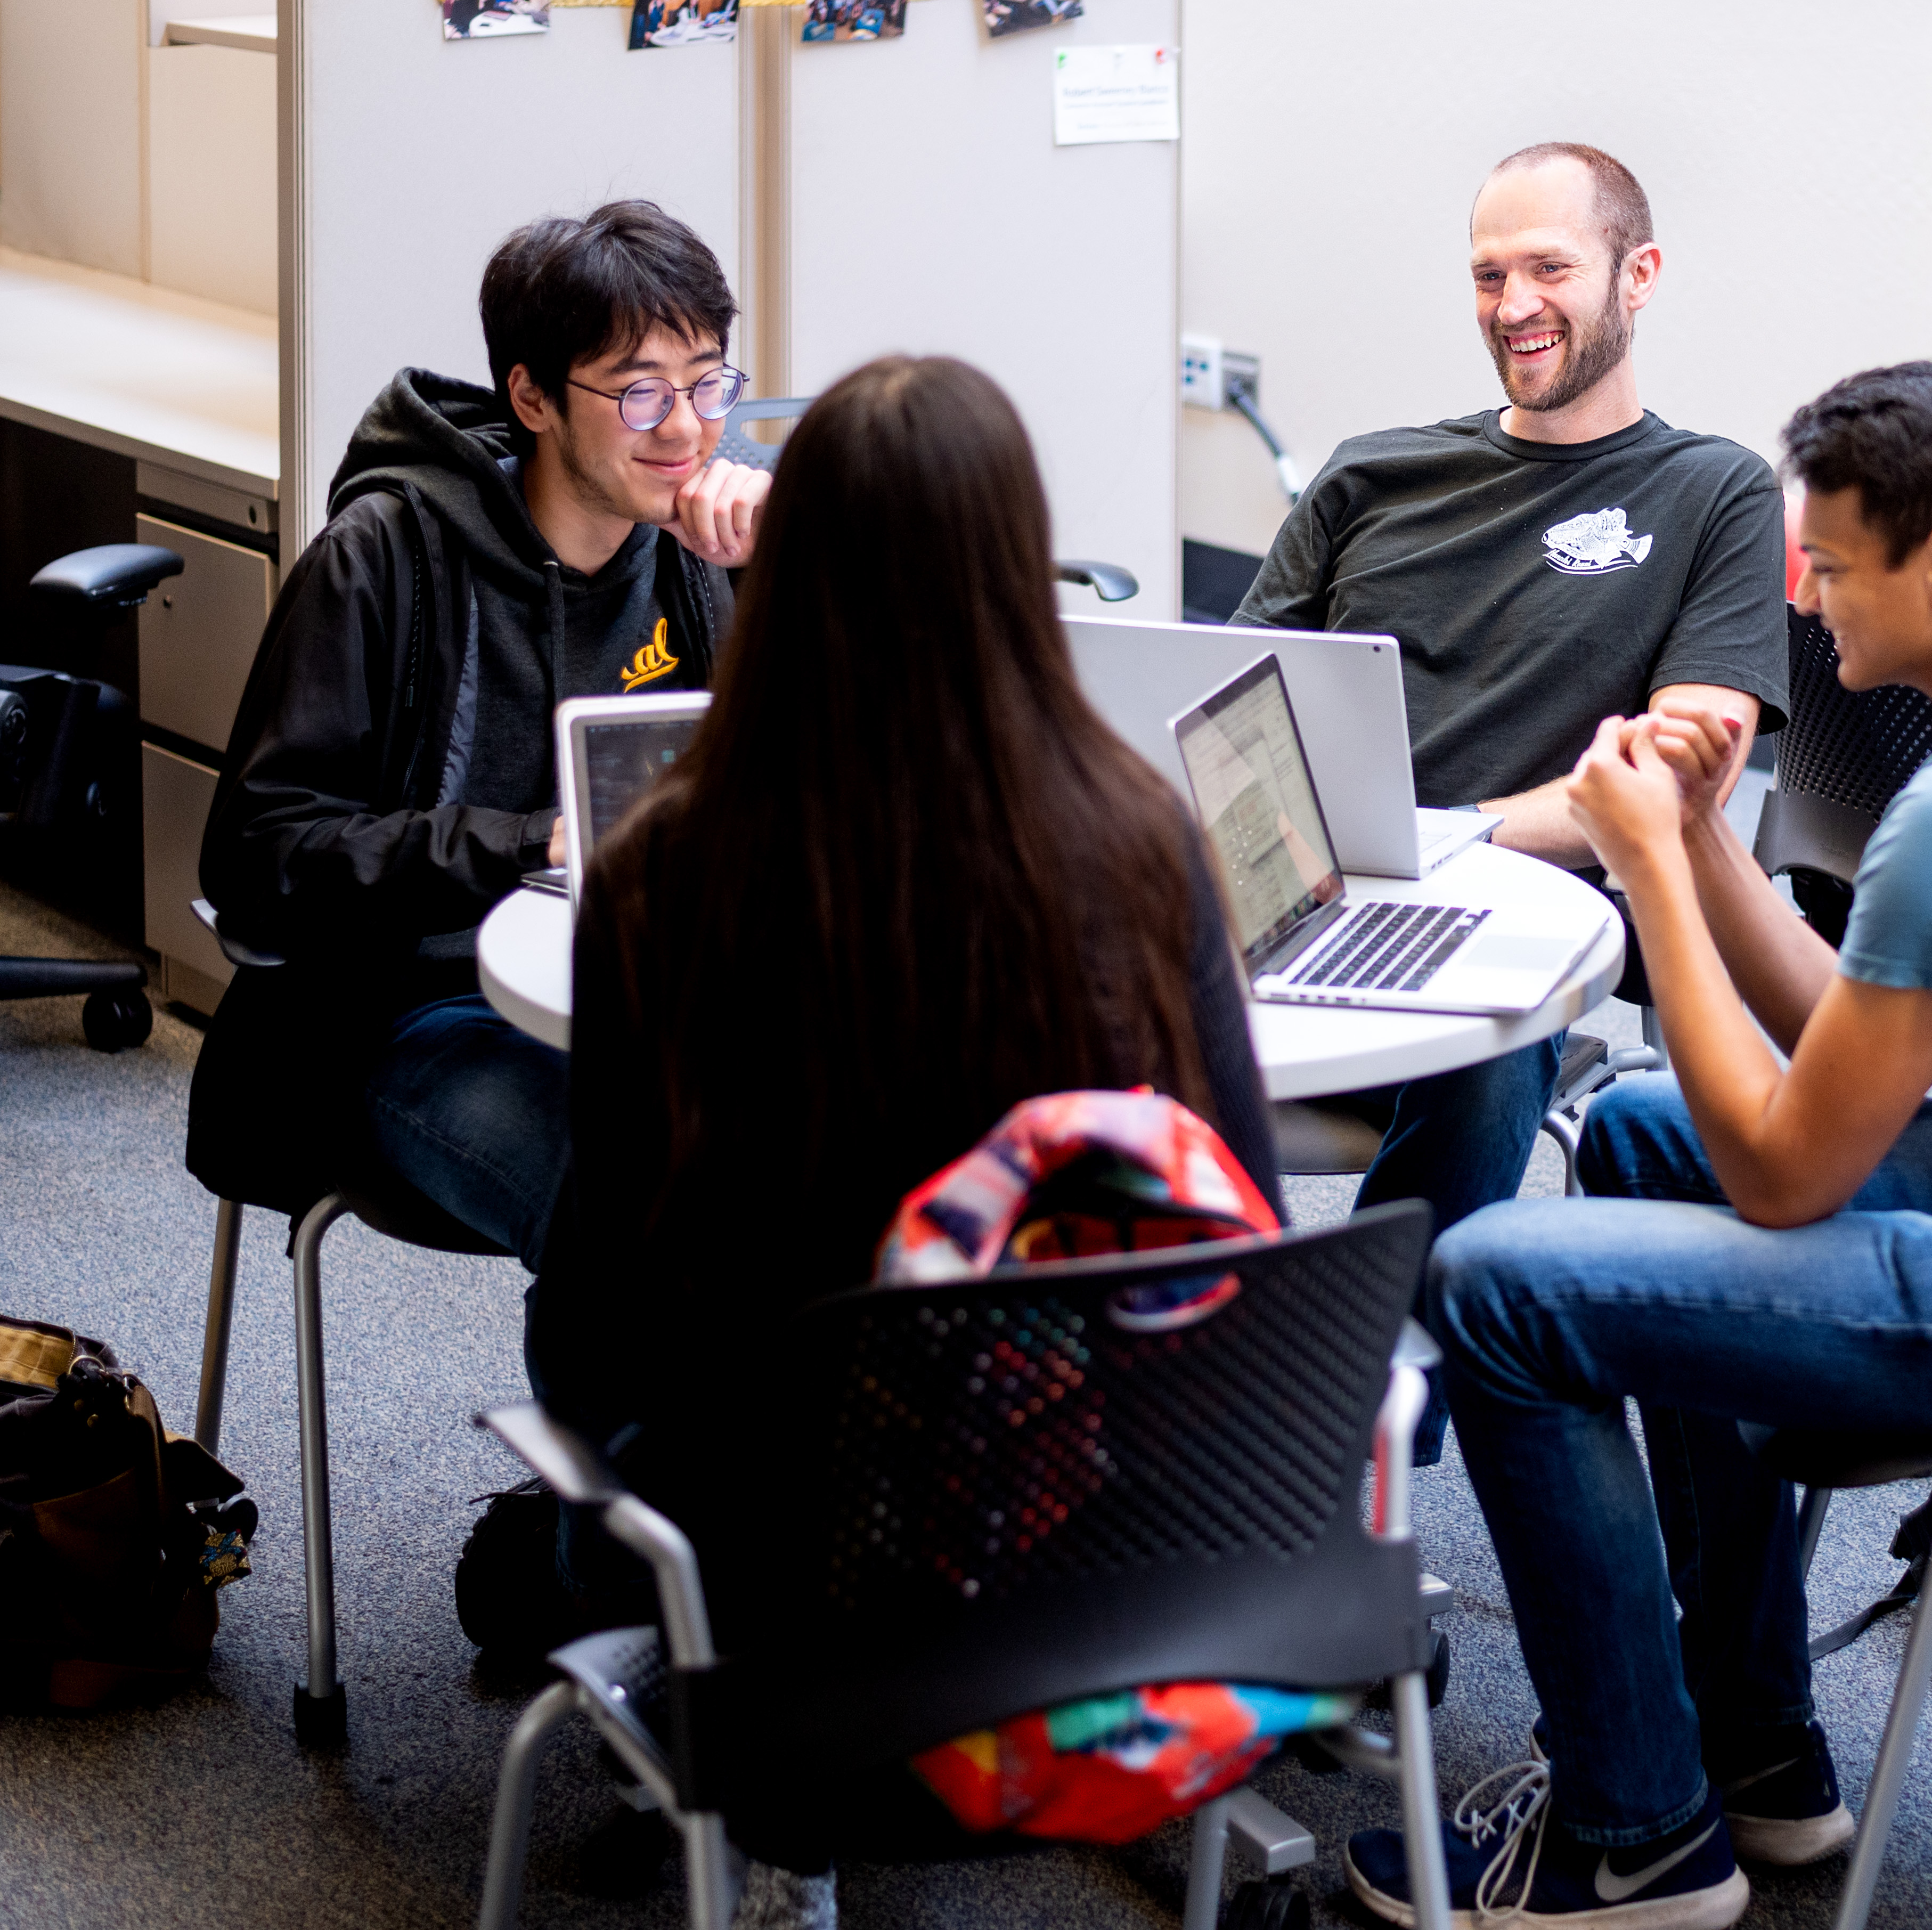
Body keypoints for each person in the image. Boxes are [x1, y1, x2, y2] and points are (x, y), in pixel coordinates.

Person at [1341, 360, 1932, 1928]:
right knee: (1637, 1132)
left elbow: (1789, 1168)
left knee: (1500, 1277)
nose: (1809, 610)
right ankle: (1754, 1748)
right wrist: (1704, 838)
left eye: (1830, 570)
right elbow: (1854, 1026)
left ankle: (1635, 1836)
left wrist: (1643, 872)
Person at [531, 355, 1280, 1930]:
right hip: (1120, 1563)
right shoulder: (1143, 833)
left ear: (787, 566)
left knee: (591, 1426)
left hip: (795, 1608)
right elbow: (1249, 1222)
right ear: (1022, 565)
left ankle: (741, 1820)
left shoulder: (665, 867)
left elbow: (604, 1295)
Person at [1230, 143, 1790, 1408]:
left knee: (1495, 1044)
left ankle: (1337, 1416)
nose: (1515, 303)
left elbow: (1684, 763)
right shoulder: (1376, 472)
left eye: (1551, 267)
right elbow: (1228, 706)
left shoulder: (1714, 493)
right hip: (1308, 898)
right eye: (1491, 273)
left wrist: (1452, 835)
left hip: (1508, 921)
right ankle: (1201, 1371)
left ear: (1637, 275)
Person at [191, 201, 770, 1267]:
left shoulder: (701, 552)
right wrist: (539, 841)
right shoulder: (383, 558)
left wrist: (782, 569)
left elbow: (816, 791)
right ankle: (635, 1441)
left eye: (707, 380)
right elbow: (259, 854)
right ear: (533, 396)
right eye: (640, 389)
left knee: (864, 1147)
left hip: (657, 994)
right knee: (631, 1209)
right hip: (419, 1014)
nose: (688, 428)